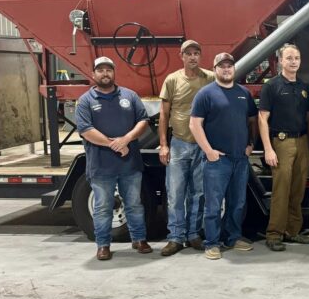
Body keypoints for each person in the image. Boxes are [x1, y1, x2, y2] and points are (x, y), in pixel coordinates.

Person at [75, 57, 152, 261]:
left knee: (134, 204)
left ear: (114, 73)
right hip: (101, 167)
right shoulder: (85, 101)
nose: (105, 73)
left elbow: (143, 120)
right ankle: (103, 244)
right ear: (94, 74)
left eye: (109, 69)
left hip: (130, 164)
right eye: (100, 70)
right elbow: (85, 130)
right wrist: (115, 144)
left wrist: (126, 138)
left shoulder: (129, 95)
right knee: (102, 207)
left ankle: (139, 239)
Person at [190, 53, 258, 260]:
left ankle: (233, 237)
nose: (226, 69)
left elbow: (252, 121)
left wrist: (250, 145)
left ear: (234, 69)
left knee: (237, 202)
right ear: (215, 69)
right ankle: (211, 242)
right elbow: (195, 124)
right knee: (213, 204)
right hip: (217, 161)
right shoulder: (205, 94)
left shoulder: (243, 94)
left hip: (240, 159)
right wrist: (209, 151)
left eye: (230, 66)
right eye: (222, 66)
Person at [158, 40, 214, 257]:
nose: (192, 57)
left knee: (199, 193)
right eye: (188, 53)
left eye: (196, 53)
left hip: (202, 145)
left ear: (200, 56)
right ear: (181, 56)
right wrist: (163, 144)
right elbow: (164, 114)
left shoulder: (209, 78)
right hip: (179, 144)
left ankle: (193, 234)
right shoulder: (172, 80)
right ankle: (175, 237)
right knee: (175, 193)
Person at [259, 43, 309, 252]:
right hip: (281, 143)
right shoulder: (271, 86)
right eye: (289, 58)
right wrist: (268, 148)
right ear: (281, 61)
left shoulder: (304, 87)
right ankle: (274, 234)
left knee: (297, 190)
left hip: (303, 142)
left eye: (297, 58)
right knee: (281, 190)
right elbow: (262, 118)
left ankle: (292, 231)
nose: (293, 62)